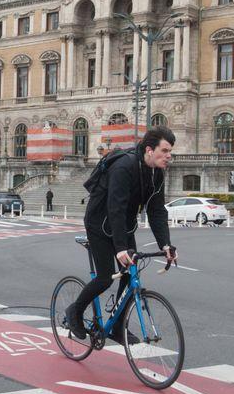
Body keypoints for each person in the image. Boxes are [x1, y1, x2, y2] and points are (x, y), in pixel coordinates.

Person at [64, 126, 177, 341]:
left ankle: (117, 327)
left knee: (130, 274)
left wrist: (165, 245)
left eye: (170, 151)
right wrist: (120, 248)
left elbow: (157, 211)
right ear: (150, 150)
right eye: (165, 150)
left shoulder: (157, 174)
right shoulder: (124, 167)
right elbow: (115, 207)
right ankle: (74, 312)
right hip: (99, 223)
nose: (169, 156)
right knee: (105, 278)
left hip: (123, 226)